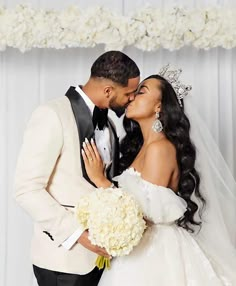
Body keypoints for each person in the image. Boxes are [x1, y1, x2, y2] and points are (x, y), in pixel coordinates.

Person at [81, 66, 236, 285]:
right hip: (137, 252)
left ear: (159, 106)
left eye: (141, 91)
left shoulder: (160, 148)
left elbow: (144, 216)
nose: (132, 97)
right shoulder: (144, 147)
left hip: (154, 255)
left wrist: (101, 181)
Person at [14, 51, 140, 286]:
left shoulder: (110, 122)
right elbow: (26, 189)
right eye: (129, 93)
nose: (132, 99)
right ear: (108, 91)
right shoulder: (52, 114)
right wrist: (79, 235)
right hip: (63, 260)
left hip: (104, 262)